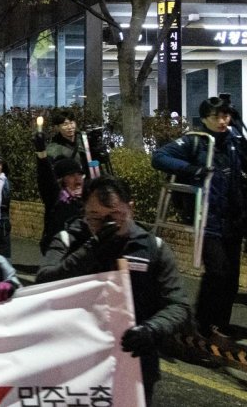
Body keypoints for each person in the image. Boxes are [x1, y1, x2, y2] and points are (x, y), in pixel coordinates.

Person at [37, 176, 189, 403]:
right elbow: (43, 283)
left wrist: (152, 329)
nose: (105, 225)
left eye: (114, 216)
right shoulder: (69, 240)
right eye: (95, 217)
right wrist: (90, 251)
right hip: (74, 363)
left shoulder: (152, 248)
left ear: (131, 208)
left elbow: (179, 304)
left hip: (133, 363)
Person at [151, 96, 245, 338]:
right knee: (216, 272)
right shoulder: (196, 141)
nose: (223, 121)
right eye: (216, 117)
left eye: (225, 116)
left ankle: (219, 325)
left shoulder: (235, 141)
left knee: (231, 277)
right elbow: (159, 157)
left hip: (233, 219)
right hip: (207, 219)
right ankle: (201, 324)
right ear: (204, 119)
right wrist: (193, 170)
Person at [36, 155, 86, 255]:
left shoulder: (87, 200)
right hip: (58, 252)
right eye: (71, 176)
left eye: (79, 175)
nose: (78, 180)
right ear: (61, 180)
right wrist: (42, 157)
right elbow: (47, 180)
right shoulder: (56, 199)